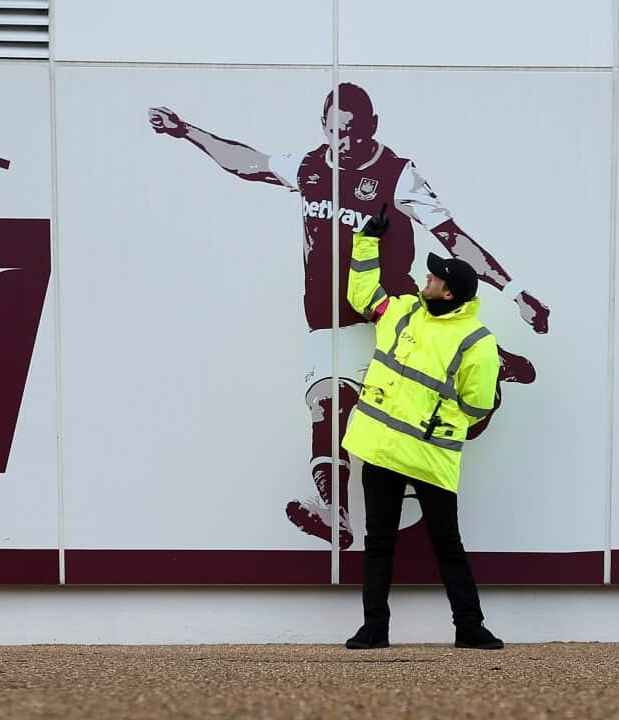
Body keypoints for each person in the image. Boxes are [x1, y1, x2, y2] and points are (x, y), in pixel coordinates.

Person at [148, 83, 548, 549]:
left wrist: (515, 291)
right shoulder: (311, 167)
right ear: (324, 128)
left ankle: (491, 361)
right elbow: (248, 163)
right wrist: (185, 132)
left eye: (354, 133)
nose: (345, 142)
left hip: (383, 313)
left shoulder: (398, 175)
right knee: (325, 407)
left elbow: (452, 238)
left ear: (372, 127)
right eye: (336, 132)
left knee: (420, 408)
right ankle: (334, 515)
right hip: (326, 319)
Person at [341, 204, 504, 650]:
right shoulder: (403, 311)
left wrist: (433, 422)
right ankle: (375, 627)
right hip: (382, 448)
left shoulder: (476, 341)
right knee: (379, 543)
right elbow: (362, 296)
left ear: (449, 294)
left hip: (430, 455)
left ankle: (469, 627)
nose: (424, 280)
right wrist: (366, 240)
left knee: (447, 545)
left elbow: (477, 405)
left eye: (433, 279)